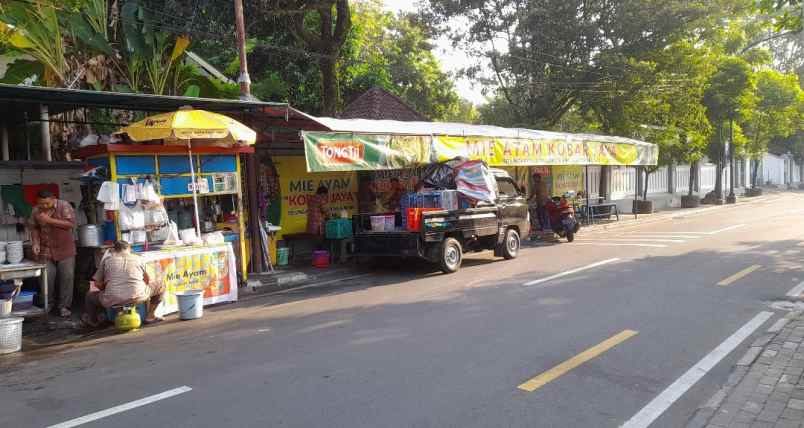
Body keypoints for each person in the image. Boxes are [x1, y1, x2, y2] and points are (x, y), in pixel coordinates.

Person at [83, 240, 165, 327]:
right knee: (161, 285)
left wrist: (105, 289)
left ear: (114, 250)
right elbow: (147, 280)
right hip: (138, 296)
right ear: (129, 249)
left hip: (112, 299)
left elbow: (97, 284)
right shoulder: (138, 258)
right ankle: (150, 316)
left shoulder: (107, 260)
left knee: (89, 296)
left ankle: (93, 322)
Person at [29, 189, 76, 318]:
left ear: (53, 199)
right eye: (41, 204)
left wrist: (49, 220)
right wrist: (35, 243)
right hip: (46, 250)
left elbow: (70, 224)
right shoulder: (35, 210)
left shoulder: (64, 206)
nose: (44, 206)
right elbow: (34, 228)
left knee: (66, 278)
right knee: (46, 279)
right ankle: (48, 304)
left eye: (47, 204)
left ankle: (64, 306)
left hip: (65, 249)